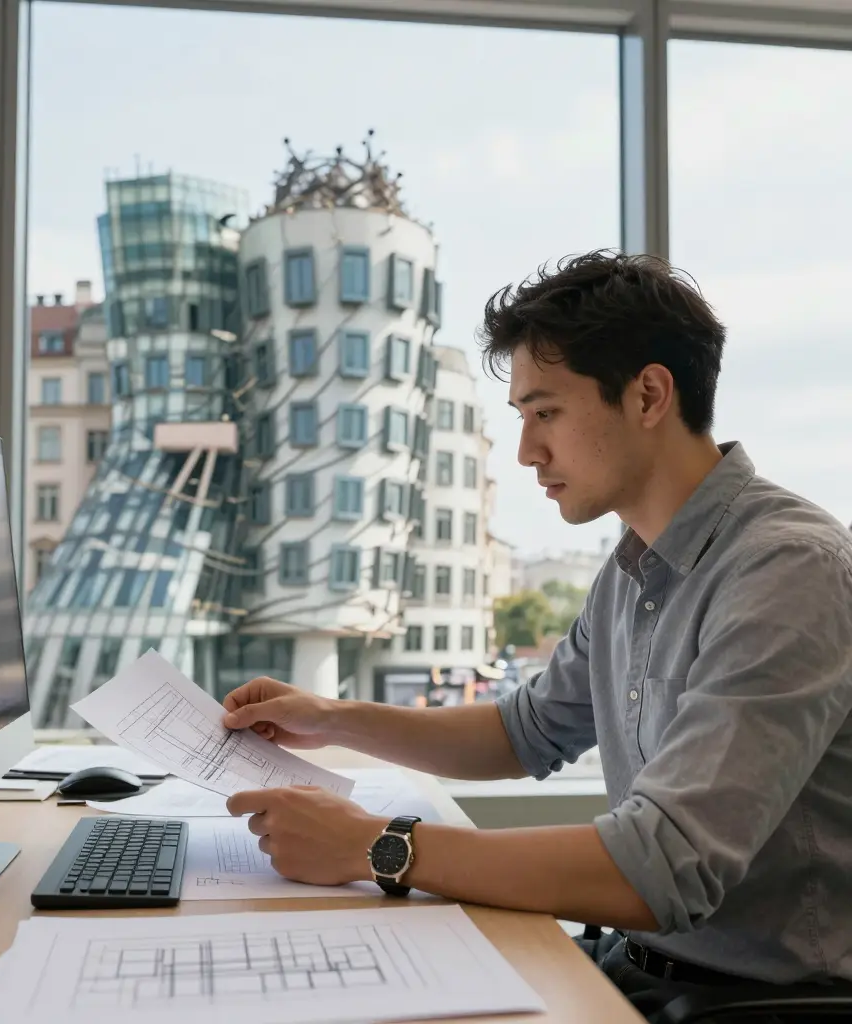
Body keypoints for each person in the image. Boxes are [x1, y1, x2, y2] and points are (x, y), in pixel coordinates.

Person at [222, 250, 852, 1023]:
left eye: (545, 412)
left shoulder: (789, 570)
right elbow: (522, 732)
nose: (527, 452)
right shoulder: (630, 570)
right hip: (637, 965)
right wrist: (332, 718)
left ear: (649, 394)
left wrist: (374, 847)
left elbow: (663, 867)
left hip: (762, 1006)